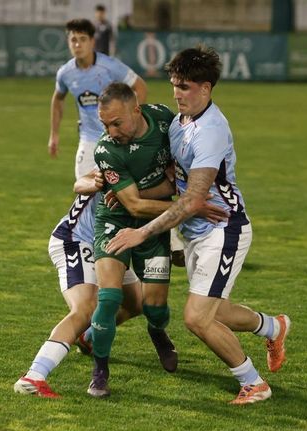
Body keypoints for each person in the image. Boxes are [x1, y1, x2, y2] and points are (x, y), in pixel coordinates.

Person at [106, 46, 291, 405]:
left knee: (196, 317)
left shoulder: (211, 130)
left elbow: (193, 199)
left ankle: (254, 383)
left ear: (206, 88)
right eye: (175, 84)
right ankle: (274, 326)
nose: (177, 93)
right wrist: (127, 192)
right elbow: (178, 184)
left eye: (186, 86)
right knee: (215, 310)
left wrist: (142, 231)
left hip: (224, 229)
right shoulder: (179, 122)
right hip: (196, 231)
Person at [86, 82, 228, 398]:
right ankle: (100, 371)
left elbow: (174, 169)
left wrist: (173, 190)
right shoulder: (107, 149)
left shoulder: (164, 118)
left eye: (116, 122)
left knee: (156, 308)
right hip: (115, 223)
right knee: (108, 299)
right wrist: (190, 207)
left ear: (136, 110)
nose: (110, 130)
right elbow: (132, 205)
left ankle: (157, 332)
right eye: (104, 124)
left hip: (155, 228)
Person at [13, 170, 175, 397]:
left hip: (114, 244)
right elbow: (83, 182)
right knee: (86, 308)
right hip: (78, 241)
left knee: (137, 303)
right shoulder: (123, 156)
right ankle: (34, 376)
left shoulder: (155, 164)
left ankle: (87, 336)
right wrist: (94, 183)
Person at [49, 18, 147, 180]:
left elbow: (140, 87)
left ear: (92, 41)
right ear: (68, 42)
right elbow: (58, 99)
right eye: (73, 40)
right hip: (88, 139)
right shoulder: (65, 73)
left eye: (82, 39)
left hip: (117, 139)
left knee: (120, 195)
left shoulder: (110, 66)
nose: (78, 45)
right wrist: (54, 134)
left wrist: (132, 121)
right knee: (84, 191)